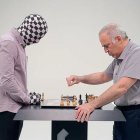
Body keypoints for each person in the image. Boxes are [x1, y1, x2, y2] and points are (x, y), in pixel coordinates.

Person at [66, 23, 140, 140]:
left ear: (118, 39)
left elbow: (122, 87)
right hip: (122, 113)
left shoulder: (136, 54)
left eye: (106, 46)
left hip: (135, 116)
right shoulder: (119, 58)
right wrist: (80, 78)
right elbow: (103, 76)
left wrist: (91, 105)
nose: (105, 51)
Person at [0, 14, 48, 140]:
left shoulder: (18, 44)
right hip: (6, 112)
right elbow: (6, 80)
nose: (37, 41)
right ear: (29, 30)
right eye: (38, 36)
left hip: (14, 109)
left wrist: (27, 96)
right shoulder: (8, 43)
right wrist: (26, 98)